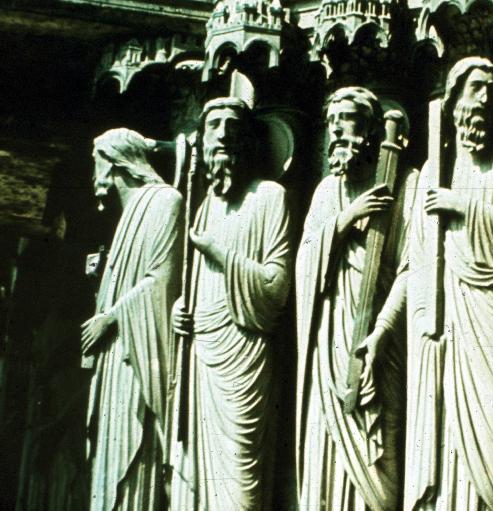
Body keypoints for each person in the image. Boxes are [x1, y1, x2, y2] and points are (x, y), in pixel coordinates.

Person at [405, 57, 493, 511]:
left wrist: (462, 206)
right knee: (443, 429)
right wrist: (422, 320)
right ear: (453, 100)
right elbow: (417, 260)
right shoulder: (434, 170)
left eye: (491, 91)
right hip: (443, 325)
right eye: (475, 88)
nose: (484, 99)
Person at [296, 86, 417, 510]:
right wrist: (347, 218)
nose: (335, 131)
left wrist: (382, 330)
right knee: (326, 453)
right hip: (329, 342)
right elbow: (304, 267)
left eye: (345, 119)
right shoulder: (326, 192)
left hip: (380, 340)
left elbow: (413, 267)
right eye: (331, 122)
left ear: (370, 128)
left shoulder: (405, 183)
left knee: (377, 462)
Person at [169, 97, 292, 510]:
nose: (223, 134)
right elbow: (194, 282)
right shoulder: (202, 206)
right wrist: (181, 309)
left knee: (241, 479)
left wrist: (219, 253)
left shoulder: (269, 197)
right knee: (196, 475)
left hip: (245, 354)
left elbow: (276, 287)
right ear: (202, 141)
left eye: (233, 125)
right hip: (200, 353)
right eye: (214, 125)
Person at [83, 128, 182, 510]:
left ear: (113, 163)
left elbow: (161, 280)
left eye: (96, 163)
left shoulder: (165, 201)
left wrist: (110, 318)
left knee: (131, 456)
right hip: (114, 358)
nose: (93, 174)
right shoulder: (127, 216)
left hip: (138, 354)